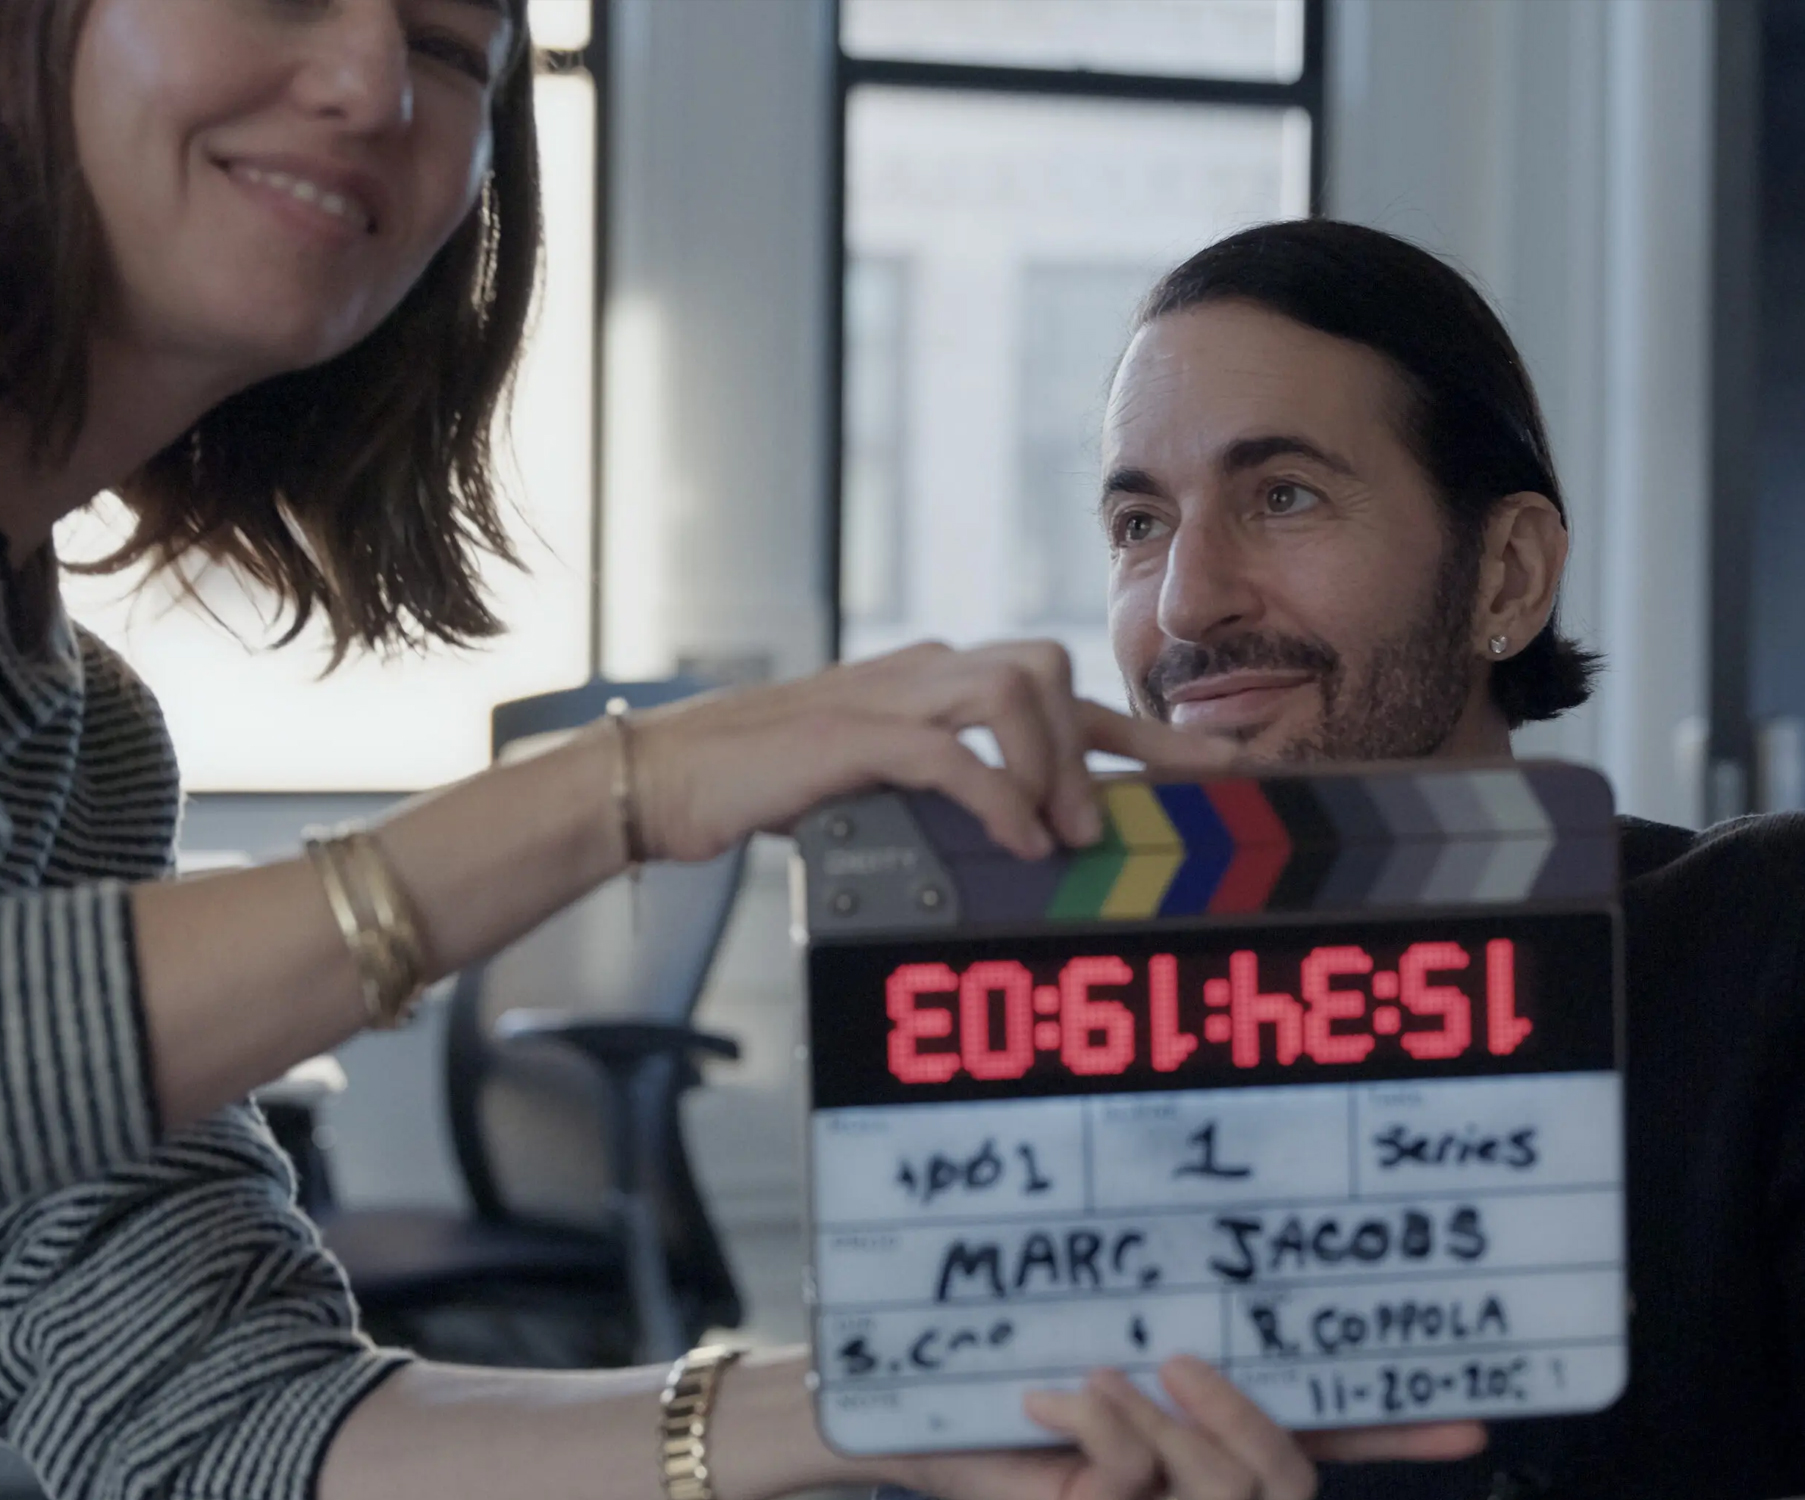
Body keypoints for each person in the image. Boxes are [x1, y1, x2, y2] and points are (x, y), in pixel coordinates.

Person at [0, 3, 1489, 1499]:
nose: (371, 84)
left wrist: (847, 1412)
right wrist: (630, 786)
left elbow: (188, 1417)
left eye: (456, 45)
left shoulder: (90, 752)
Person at [1071, 218, 1805, 1498]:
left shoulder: (1779, 940)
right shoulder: (1043, 1012)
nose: (1183, 602)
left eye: (1280, 495)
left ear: (1504, 576)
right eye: (1137, 521)